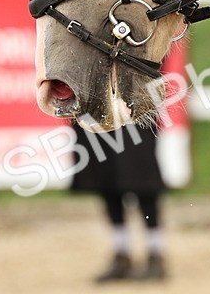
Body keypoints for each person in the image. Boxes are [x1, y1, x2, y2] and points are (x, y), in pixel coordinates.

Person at [71, 120, 168, 282]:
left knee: (144, 185)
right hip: (94, 117)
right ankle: (121, 254)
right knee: (106, 184)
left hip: (134, 115)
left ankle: (155, 254)